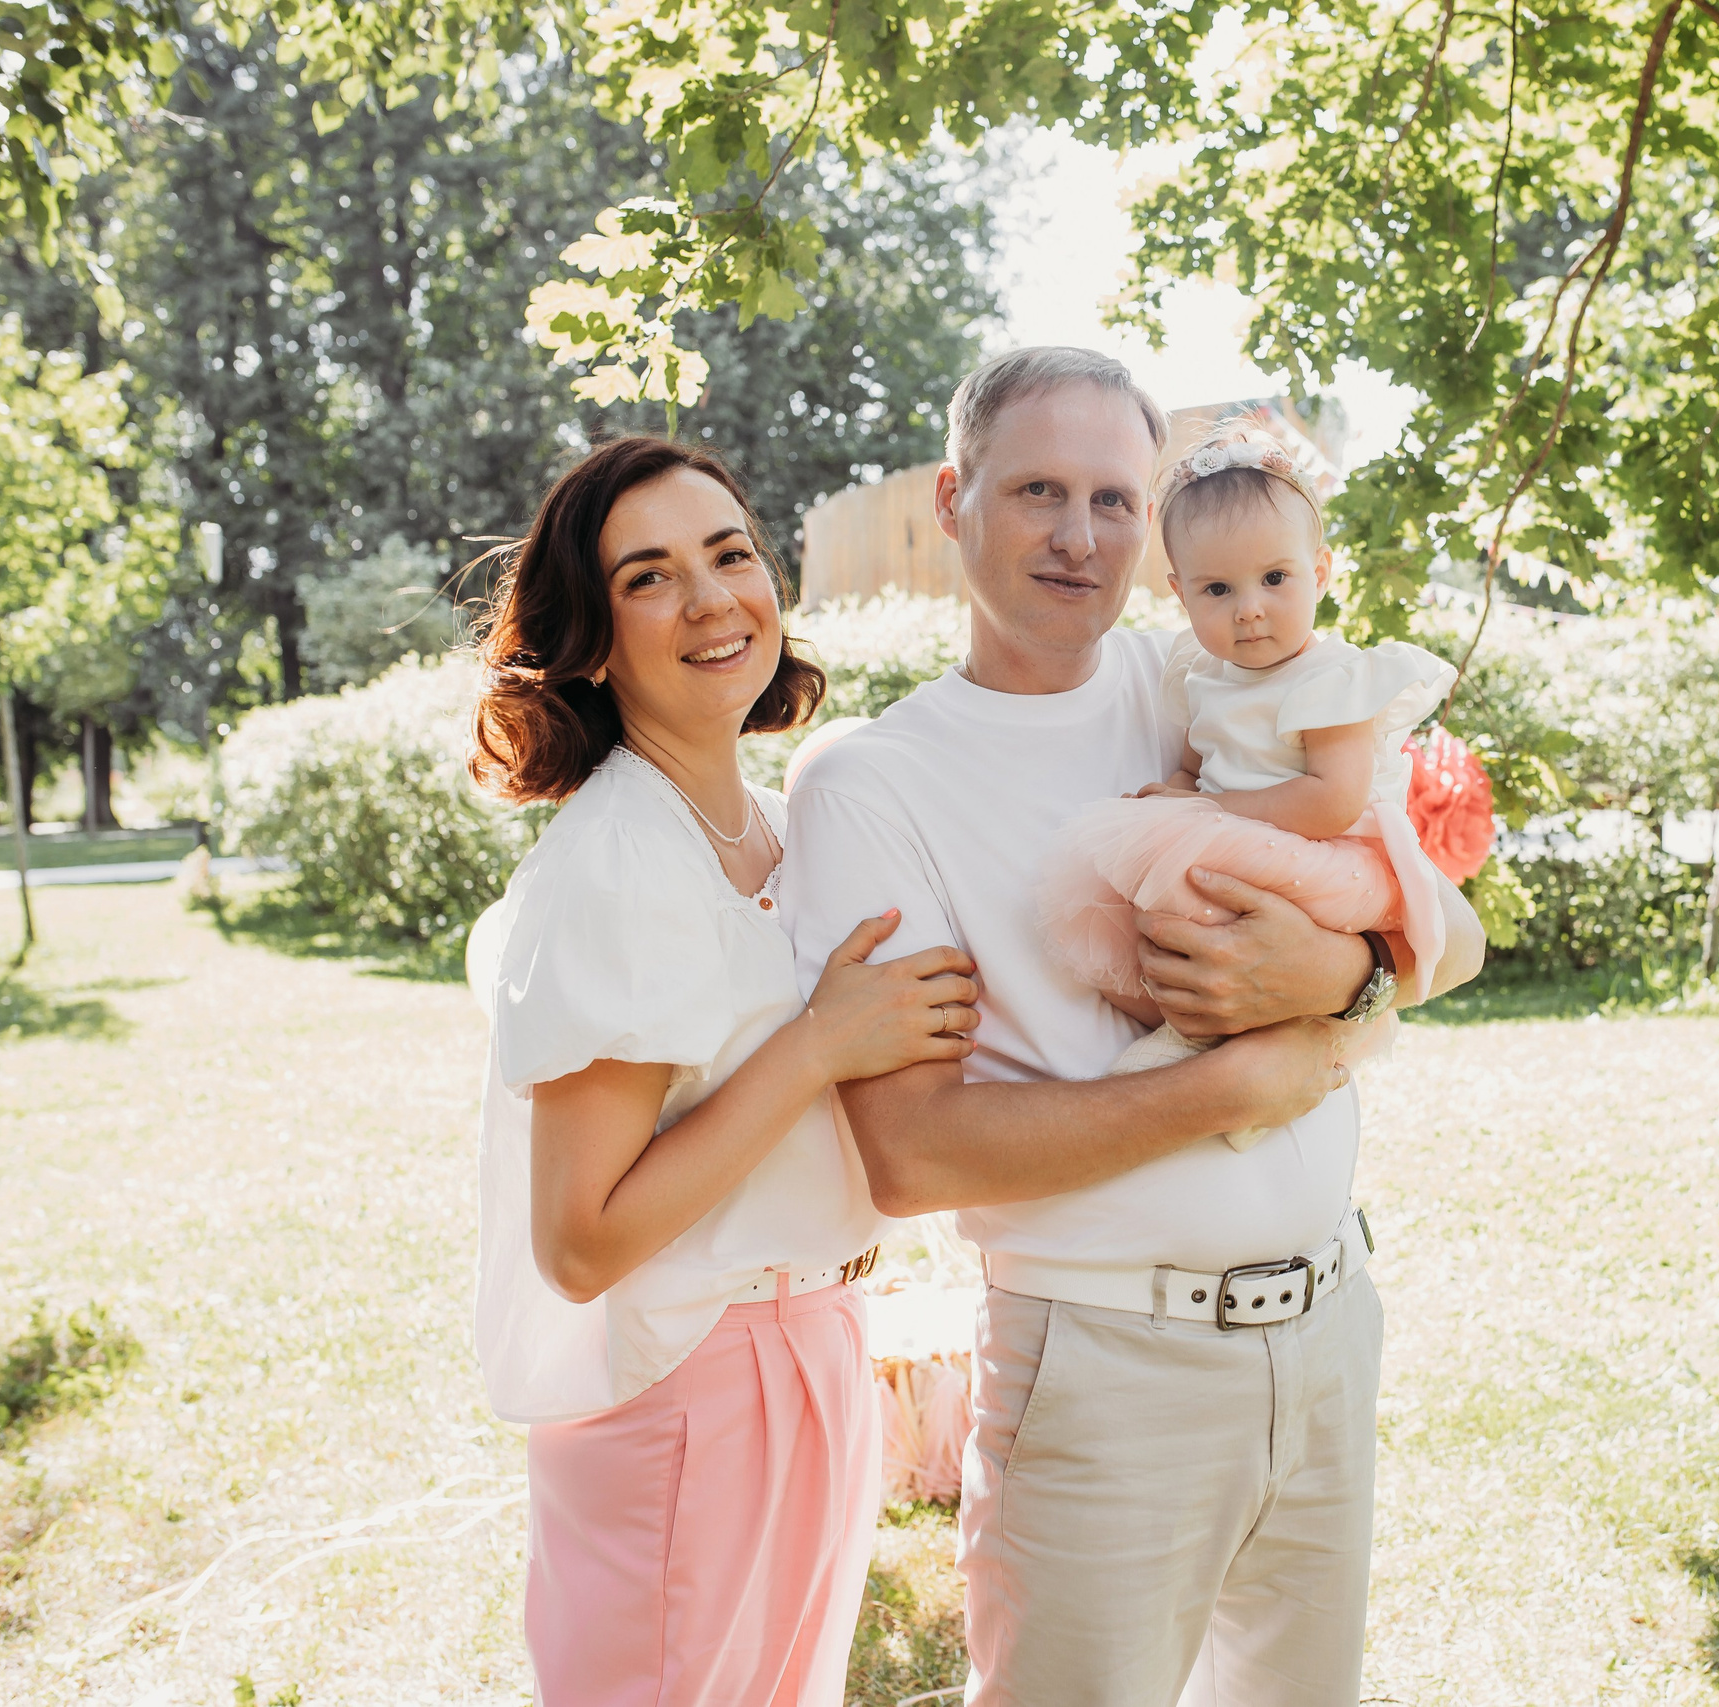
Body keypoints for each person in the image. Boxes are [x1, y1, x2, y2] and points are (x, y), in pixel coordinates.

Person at [779, 348, 1487, 1706]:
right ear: (954, 497)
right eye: (1038, 490)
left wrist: (1335, 973)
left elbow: (1433, 933)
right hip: (1103, 1366)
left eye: (1113, 497)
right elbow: (912, 1155)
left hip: (1328, 1327)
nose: (1079, 534)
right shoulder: (874, 783)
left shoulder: (1207, 675)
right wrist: (1236, 1084)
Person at [468, 435, 982, 1707]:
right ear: (591, 641)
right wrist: (820, 1045)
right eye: (648, 577)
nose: (710, 601)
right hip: (687, 1380)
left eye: (730, 555)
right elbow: (580, 1241)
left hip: (817, 1342)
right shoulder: (616, 861)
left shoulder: (776, 828)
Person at [1039, 426, 1459, 1148]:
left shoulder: (1332, 679)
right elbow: (1196, 764)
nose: (1249, 609)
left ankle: (1228, 1054)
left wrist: (1206, 811)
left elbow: (1332, 799)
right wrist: (1170, 798)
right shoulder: (1202, 673)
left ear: (1320, 572)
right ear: (1180, 593)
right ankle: (1215, 1043)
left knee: (1201, 885)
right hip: (1246, 838)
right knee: (1146, 891)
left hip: (1328, 856)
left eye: (1275, 579)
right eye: (1217, 589)